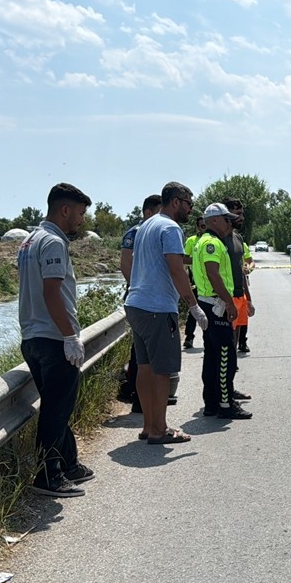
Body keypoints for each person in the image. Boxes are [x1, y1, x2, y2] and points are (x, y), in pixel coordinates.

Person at [17, 183, 93, 497]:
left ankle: (70, 463)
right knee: (55, 410)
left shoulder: (29, 240)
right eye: (79, 213)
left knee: (57, 405)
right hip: (53, 338)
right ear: (65, 210)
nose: (81, 221)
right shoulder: (53, 242)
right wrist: (69, 336)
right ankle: (49, 476)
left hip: (32, 336)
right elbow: (51, 292)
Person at [125, 181, 208, 444]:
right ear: (176, 202)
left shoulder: (147, 225)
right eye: (189, 204)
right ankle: (160, 430)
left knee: (145, 368)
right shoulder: (171, 228)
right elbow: (175, 269)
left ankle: (149, 426)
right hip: (157, 308)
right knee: (162, 372)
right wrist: (193, 305)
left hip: (136, 304)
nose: (191, 210)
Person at [191, 203, 252, 419]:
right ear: (215, 220)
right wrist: (228, 302)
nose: (230, 223)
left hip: (209, 303)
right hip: (216, 305)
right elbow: (213, 274)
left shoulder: (205, 241)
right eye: (226, 219)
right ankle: (226, 405)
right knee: (226, 356)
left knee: (213, 355)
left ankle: (212, 403)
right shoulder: (212, 244)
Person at [118, 194, 162, 413]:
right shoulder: (135, 232)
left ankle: (150, 396)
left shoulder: (156, 230)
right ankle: (138, 399)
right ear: (147, 212)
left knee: (148, 352)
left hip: (153, 298)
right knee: (140, 352)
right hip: (141, 298)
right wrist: (139, 288)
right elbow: (126, 264)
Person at [225, 199, 255, 354]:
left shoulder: (238, 239)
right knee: (225, 341)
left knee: (235, 337)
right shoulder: (218, 240)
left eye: (242, 214)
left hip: (239, 296)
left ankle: (232, 364)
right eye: (237, 214)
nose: (242, 217)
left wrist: (248, 299)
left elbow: (241, 271)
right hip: (224, 299)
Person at [182, 217, 207, 350]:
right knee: (194, 310)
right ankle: (189, 337)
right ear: (198, 227)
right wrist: (198, 260)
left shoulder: (215, 240)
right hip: (196, 281)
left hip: (211, 282)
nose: (204, 228)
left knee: (210, 312)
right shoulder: (192, 241)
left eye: (206, 226)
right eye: (202, 226)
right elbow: (184, 258)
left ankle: (208, 339)